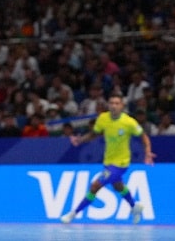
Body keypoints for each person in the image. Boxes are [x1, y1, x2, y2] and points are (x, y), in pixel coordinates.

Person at [60, 94, 155, 224]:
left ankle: (73, 213)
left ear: (122, 106)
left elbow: (144, 137)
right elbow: (94, 134)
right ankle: (135, 207)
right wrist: (80, 140)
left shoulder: (129, 122)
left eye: (117, 103)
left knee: (95, 186)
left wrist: (148, 152)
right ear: (108, 105)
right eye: (111, 103)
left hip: (121, 163)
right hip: (108, 161)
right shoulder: (103, 119)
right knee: (118, 186)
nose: (114, 106)